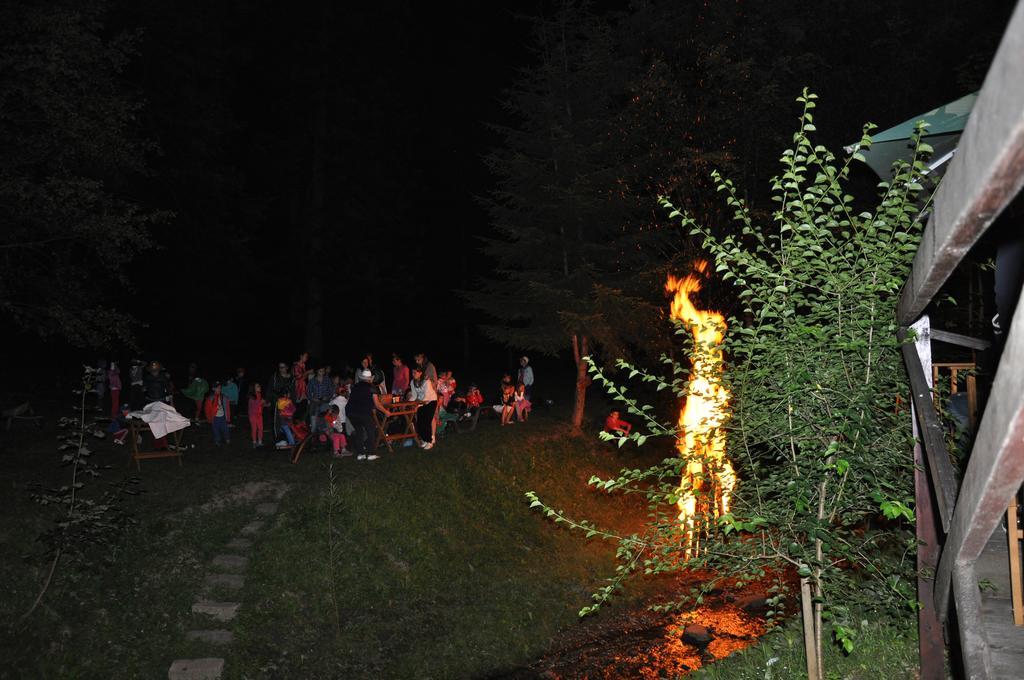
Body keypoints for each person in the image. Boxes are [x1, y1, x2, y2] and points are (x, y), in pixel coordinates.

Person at [347, 369, 390, 460]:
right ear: (371, 378)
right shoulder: (372, 387)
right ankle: (371, 454)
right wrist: (386, 412)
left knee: (359, 432)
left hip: (351, 413)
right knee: (371, 431)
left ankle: (360, 454)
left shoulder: (356, 386)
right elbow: (377, 404)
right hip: (363, 413)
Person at [410, 366, 438, 449]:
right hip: (421, 402)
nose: (413, 374)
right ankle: (425, 440)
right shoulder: (412, 382)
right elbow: (414, 395)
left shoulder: (426, 381)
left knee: (426, 421)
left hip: (431, 401)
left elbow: (427, 396)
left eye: (415, 372)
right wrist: (408, 403)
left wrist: (418, 406)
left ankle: (430, 441)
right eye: (412, 372)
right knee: (420, 422)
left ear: (420, 373)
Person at [269, 362, 295, 438]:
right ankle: (278, 438)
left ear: (287, 367)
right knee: (277, 421)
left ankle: (289, 438)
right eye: (280, 367)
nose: (281, 369)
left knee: (288, 421)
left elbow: (293, 391)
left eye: (283, 367)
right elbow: (270, 389)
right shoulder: (275, 377)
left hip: (288, 404)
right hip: (278, 403)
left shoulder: (291, 378)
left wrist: (292, 399)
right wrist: (270, 400)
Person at [204, 382, 232, 446]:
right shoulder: (210, 398)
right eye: (217, 388)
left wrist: (228, 417)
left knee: (225, 428)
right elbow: (207, 409)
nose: (219, 389)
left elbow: (227, 408)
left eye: (220, 388)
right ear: (214, 389)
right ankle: (217, 440)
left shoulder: (223, 397)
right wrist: (209, 418)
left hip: (222, 417)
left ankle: (227, 438)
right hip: (215, 417)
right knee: (216, 430)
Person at [306, 366, 333, 432]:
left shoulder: (327, 380)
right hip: (315, 402)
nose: (322, 372)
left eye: (323, 371)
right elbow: (308, 392)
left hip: (324, 402)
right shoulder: (312, 381)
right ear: (317, 371)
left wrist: (327, 397)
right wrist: (313, 399)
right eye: (320, 371)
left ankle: (324, 434)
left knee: (325, 419)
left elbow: (331, 391)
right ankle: (312, 434)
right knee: (314, 420)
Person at [248, 383, 268, 448]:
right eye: (258, 386)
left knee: (261, 428)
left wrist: (266, 405)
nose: (260, 387)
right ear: (254, 389)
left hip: (259, 415)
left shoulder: (259, 395)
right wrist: (261, 402)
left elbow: (260, 405)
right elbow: (254, 406)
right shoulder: (251, 397)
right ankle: (254, 442)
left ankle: (260, 442)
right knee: (254, 429)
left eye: (259, 386)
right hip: (253, 415)